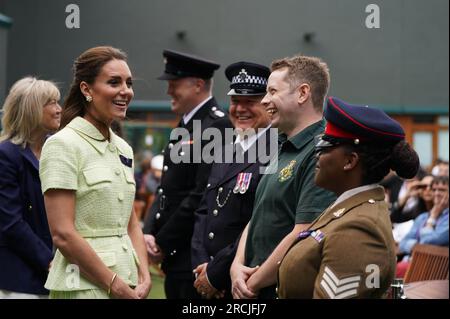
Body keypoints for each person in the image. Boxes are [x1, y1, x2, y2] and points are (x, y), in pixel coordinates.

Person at [277, 97, 420, 298]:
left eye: (324, 147)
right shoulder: (349, 208)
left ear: (350, 161)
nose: (317, 155)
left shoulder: (360, 228)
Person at [39, 46, 151, 299]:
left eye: (129, 83)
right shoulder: (63, 144)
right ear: (86, 89)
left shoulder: (123, 148)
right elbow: (63, 234)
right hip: (84, 287)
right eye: (114, 82)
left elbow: (131, 220)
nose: (125, 91)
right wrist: (117, 286)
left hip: (128, 281)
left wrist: (143, 276)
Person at [230, 54, 336, 299]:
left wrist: (251, 283)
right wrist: (237, 265)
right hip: (255, 286)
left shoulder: (322, 152)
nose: (265, 100)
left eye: (272, 91)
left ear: (302, 94)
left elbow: (305, 231)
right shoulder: (278, 144)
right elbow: (259, 213)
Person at [143, 49, 232, 298]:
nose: (169, 91)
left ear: (198, 85)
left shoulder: (218, 126)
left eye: (174, 84)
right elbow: (166, 189)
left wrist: (162, 242)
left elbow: (200, 195)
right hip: (175, 256)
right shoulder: (186, 125)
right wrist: (149, 231)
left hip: (191, 257)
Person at [191, 61, 275, 299]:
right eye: (236, 101)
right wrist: (201, 268)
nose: (240, 109)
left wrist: (215, 274)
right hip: (206, 277)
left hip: (243, 281)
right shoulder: (226, 148)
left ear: (268, 105)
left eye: (250, 102)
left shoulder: (276, 151)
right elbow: (204, 211)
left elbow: (259, 221)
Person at [0, 77, 61, 298]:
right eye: (52, 103)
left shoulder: (58, 152)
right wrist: (49, 261)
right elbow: (11, 222)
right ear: (31, 109)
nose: (59, 109)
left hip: (56, 274)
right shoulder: (6, 155)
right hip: (19, 278)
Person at [396, 176, 449, 277]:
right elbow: (403, 243)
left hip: (436, 272)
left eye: (442, 190)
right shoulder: (423, 217)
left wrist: (433, 218)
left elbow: (427, 242)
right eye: (434, 189)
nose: (437, 193)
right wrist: (418, 246)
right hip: (412, 265)